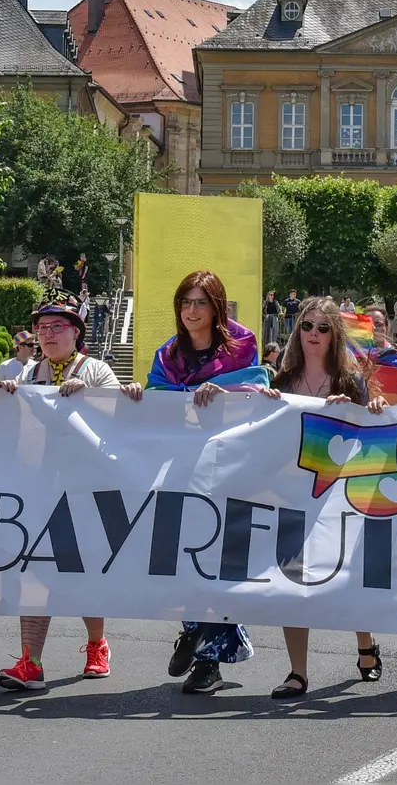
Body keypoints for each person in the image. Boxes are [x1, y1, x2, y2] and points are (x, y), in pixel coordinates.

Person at [119, 271, 268, 695]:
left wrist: (216, 389)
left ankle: (207, 660)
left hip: (229, 465)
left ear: (216, 305)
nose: (192, 310)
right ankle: (194, 629)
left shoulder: (242, 343)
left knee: (217, 557)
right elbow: (158, 397)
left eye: (201, 302)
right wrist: (137, 394)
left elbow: (256, 386)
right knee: (183, 554)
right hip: (181, 466)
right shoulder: (168, 353)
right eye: (185, 302)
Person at [0, 297, 123, 691]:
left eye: (56, 327)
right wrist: (7, 396)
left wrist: (92, 398)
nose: (47, 335)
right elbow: (7, 426)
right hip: (39, 488)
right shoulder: (29, 373)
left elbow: (123, 422)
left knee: (85, 569)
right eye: (42, 328)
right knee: (34, 571)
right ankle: (30, 662)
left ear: (75, 332)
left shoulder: (96, 369)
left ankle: (97, 645)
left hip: (86, 487)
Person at [263, 297, 388, 699]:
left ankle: (365, 642)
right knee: (291, 580)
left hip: (338, 495)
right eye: (307, 326)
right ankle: (297, 672)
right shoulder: (280, 381)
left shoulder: (350, 381)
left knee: (347, 573)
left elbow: (374, 424)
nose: (313, 334)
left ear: (334, 335)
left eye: (322, 328)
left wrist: (366, 406)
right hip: (290, 493)